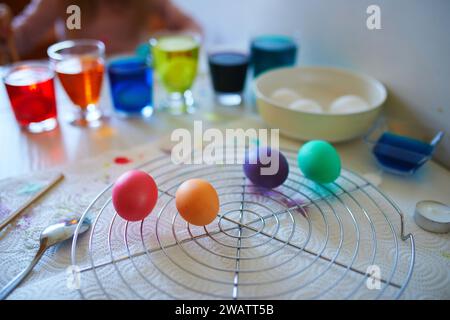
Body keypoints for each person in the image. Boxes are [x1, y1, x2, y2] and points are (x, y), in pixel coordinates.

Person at [0, 0, 201, 58]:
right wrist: (4, 32)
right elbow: (19, 40)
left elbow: (192, 27)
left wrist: (164, 46)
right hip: (83, 86)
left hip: (131, 77)